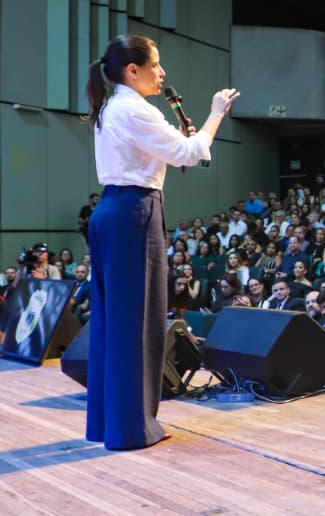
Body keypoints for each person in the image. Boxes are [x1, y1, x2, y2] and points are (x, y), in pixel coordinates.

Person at [85, 34, 238, 450]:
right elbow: (190, 152)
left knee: (111, 322)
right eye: (156, 65)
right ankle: (132, 428)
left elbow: (170, 151)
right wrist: (215, 114)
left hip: (110, 211)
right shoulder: (136, 109)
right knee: (138, 322)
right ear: (132, 71)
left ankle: (107, 422)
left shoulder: (113, 105)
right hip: (135, 212)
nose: (162, 73)